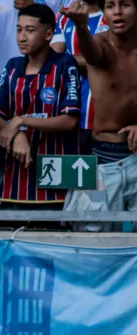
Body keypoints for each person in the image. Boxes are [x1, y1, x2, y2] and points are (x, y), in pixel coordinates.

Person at [0, 4, 80, 206]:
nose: (22, 37)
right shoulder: (12, 66)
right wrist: (17, 134)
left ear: (48, 34)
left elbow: (70, 121)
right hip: (15, 174)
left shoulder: (65, 64)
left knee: (54, 232)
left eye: (30, 31)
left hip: (56, 170)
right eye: (19, 29)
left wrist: (21, 121)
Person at [61, 0, 137, 221]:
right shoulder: (99, 43)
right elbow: (91, 53)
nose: (117, 12)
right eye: (111, 6)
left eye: (125, 5)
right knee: (92, 241)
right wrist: (82, 28)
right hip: (104, 159)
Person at [51, 0, 108, 135]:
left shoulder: (111, 19)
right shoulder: (61, 18)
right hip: (64, 112)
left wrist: (67, 59)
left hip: (101, 116)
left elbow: (110, 61)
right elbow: (53, 59)